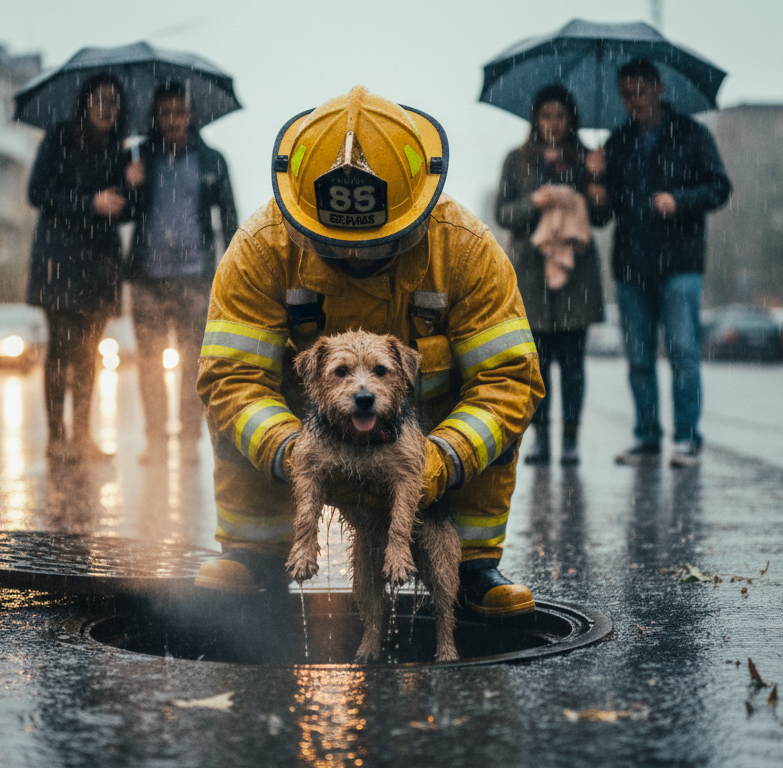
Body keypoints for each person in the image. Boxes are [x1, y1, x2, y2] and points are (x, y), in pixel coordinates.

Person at [193, 86, 545, 618]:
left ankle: (470, 565)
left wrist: (442, 459)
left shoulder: (467, 249)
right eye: (335, 245)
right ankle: (257, 555)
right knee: (235, 417)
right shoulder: (260, 248)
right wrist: (292, 454)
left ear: (421, 212)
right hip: (307, 443)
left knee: (492, 427)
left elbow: (508, 381)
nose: (356, 256)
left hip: (426, 446)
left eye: (378, 243)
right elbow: (231, 378)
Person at [589, 59, 731, 468]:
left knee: (684, 352)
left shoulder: (691, 134)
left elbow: (719, 187)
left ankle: (687, 439)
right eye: (625, 94)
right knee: (638, 358)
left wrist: (679, 200)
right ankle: (647, 437)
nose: (632, 102)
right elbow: (602, 217)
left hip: (681, 264)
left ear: (658, 90)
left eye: (639, 92)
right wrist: (596, 181)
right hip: (631, 265)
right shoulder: (617, 142)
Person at [124, 82, 238, 463]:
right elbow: (125, 210)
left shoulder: (213, 160)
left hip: (195, 276)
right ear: (156, 118)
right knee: (149, 361)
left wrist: (229, 271)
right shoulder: (141, 156)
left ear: (191, 116)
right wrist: (130, 184)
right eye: (165, 112)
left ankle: (188, 440)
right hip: (147, 276)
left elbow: (230, 219)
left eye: (179, 111)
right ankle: (155, 438)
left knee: (194, 362)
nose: (172, 119)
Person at [26, 74, 135, 462]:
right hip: (61, 259)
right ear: (85, 103)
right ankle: (57, 437)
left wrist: (132, 185)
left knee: (88, 353)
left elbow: (126, 213)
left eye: (114, 101)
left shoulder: (120, 153)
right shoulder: (59, 139)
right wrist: (90, 201)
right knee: (60, 350)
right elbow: (37, 192)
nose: (108, 108)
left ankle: (83, 436)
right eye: (100, 99)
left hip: (101, 264)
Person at [495, 85, 606, 466]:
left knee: (573, 366)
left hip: (576, 278)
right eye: (546, 116)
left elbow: (603, 218)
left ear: (571, 119)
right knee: (537, 367)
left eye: (560, 116)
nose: (553, 124)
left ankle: (571, 439)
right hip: (531, 277)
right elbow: (504, 213)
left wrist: (596, 183)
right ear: (535, 120)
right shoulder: (517, 160)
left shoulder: (585, 159)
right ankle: (541, 439)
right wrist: (534, 203)